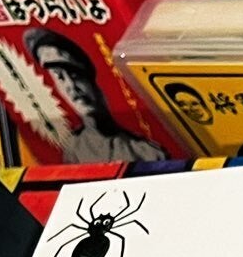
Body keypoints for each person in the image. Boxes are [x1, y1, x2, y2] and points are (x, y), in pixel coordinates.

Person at [24, 29, 163, 161]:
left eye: (75, 74)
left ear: (91, 80)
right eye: (59, 77)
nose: (71, 86)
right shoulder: (73, 148)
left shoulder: (146, 152)